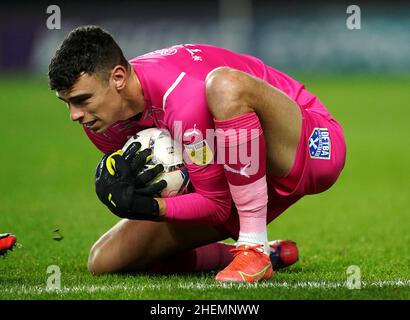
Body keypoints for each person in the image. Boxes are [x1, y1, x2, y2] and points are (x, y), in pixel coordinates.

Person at [48, 26, 346, 282]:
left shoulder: (179, 97)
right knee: (105, 261)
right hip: (238, 175)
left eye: (82, 100)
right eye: (67, 103)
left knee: (224, 85)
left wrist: (153, 209)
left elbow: (215, 206)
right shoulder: (101, 124)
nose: (75, 115)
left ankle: (253, 250)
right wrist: (134, 198)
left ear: (117, 78)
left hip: (306, 146)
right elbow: (193, 186)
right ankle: (261, 253)